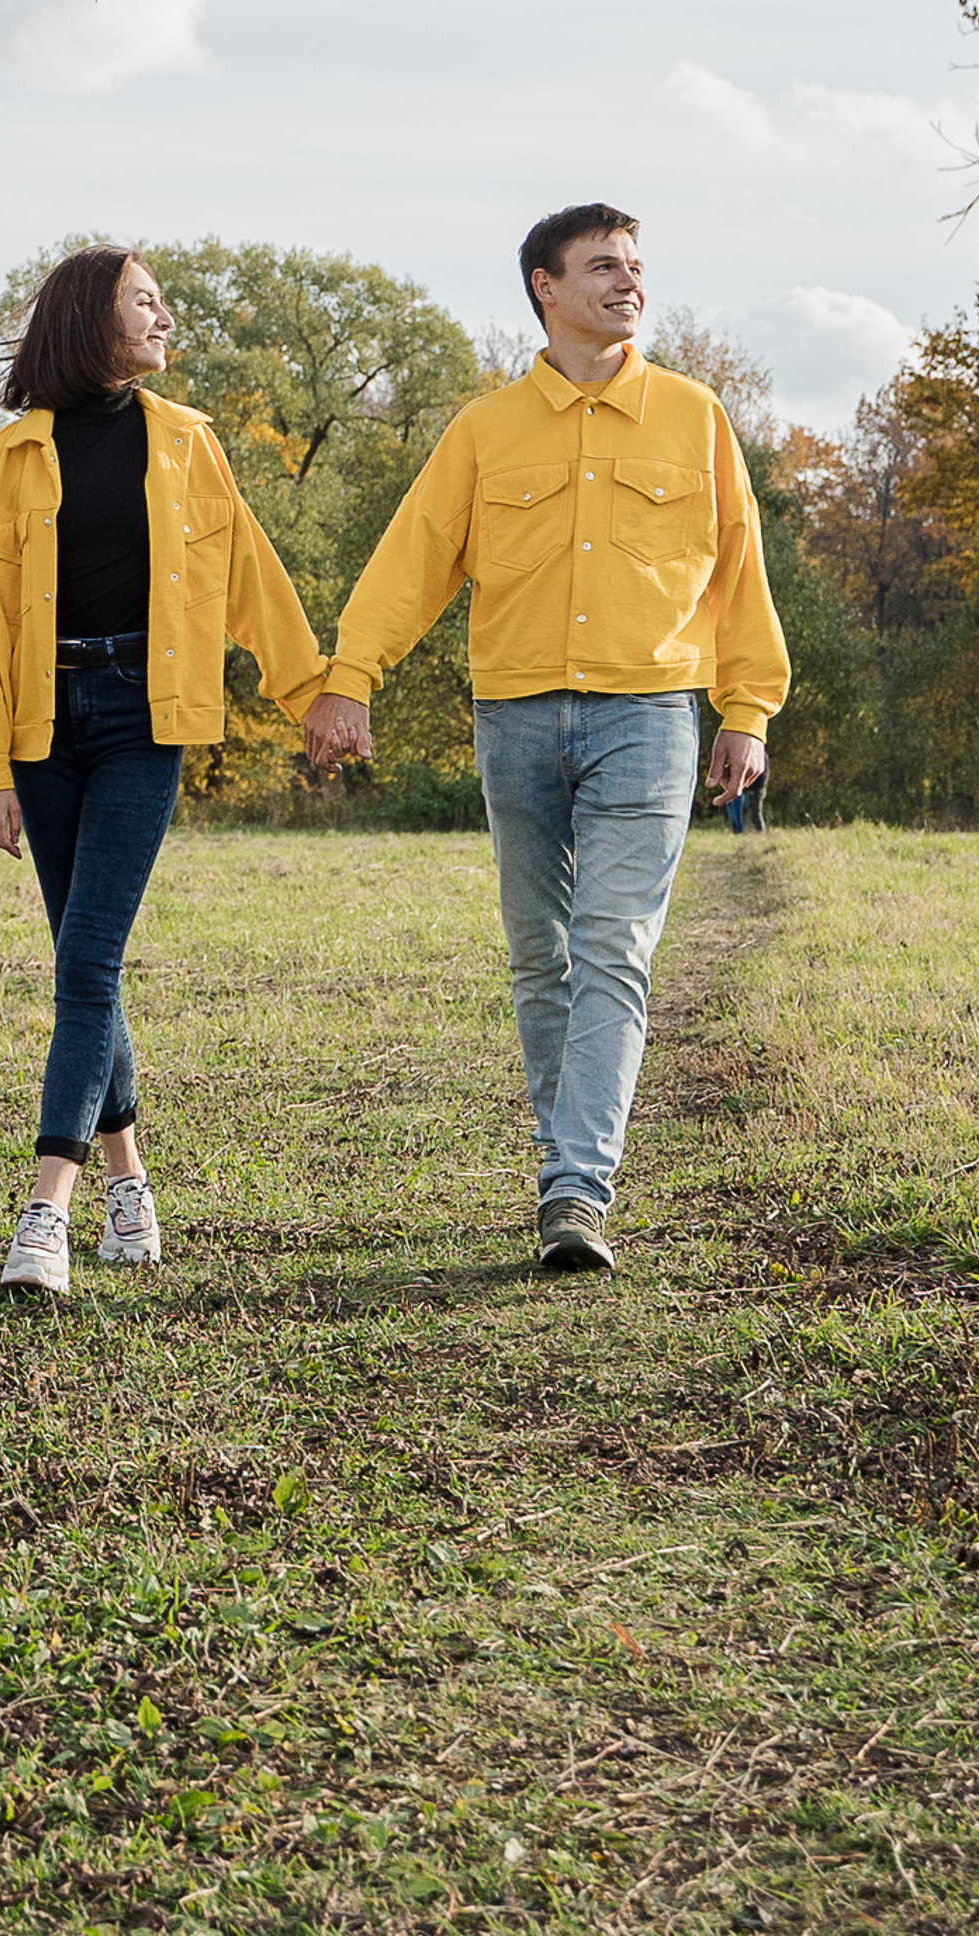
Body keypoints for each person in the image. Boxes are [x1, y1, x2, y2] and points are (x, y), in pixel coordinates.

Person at [303, 204, 786, 1277]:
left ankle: (575, 1187)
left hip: (648, 715)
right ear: (546, 287)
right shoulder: (485, 430)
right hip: (514, 717)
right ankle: (567, 1161)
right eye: (603, 266)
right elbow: (413, 559)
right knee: (541, 957)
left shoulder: (694, 416)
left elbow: (739, 566)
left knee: (612, 947)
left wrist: (746, 710)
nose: (628, 282)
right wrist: (350, 679)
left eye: (636, 265)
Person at [0, 245, 321, 1297]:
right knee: (89, 963)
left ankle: (45, 1212)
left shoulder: (188, 442)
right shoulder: (11, 458)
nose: (166, 320)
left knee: (84, 962)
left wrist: (312, 694)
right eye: (146, 303)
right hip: (40, 726)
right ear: (91, 319)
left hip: (142, 717)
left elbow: (248, 574)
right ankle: (131, 1184)